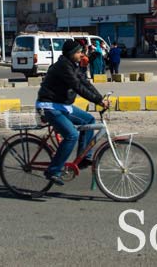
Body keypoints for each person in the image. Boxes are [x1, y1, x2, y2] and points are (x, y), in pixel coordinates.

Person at [36, 39, 107, 186]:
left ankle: (83, 157)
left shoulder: (72, 66)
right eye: (79, 52)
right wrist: (97, 101)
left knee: (89, 121)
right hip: (49, 106)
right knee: (71, 135)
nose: (82, 55)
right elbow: (77, 87)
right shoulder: (63, 67)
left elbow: (85, 83)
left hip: (62, 106)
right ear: (71, 53)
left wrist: (100, 98)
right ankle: (53, 171)